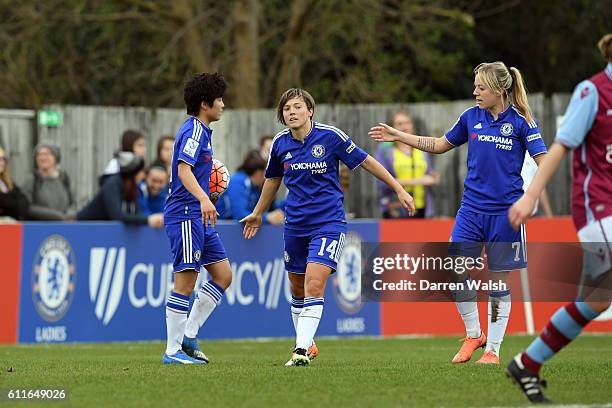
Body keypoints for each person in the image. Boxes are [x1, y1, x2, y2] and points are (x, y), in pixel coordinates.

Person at [370, 61, 547, 365]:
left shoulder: (521, 122)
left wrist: (529, 198)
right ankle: (473, 333)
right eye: (475, 86)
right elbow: (439, 145)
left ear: (499, 90)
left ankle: (492, 349)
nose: (475, 91)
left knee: (497, 283)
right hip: (471, 210)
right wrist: (399, 136)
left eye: (481, 87)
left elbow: (544, 162)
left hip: (506, 215)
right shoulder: (470, 117)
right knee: (454, 269)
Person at [241, 88, 414, 366]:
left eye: (297, 107)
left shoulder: (330, 136)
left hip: (328, 222)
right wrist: (257, 212)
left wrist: (399, 188)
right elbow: (273, 179)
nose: (292, 112)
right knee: (297, 288)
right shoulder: (280, 143)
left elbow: (367, 162)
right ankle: (308, 343)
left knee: (314, 283)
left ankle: (299, 350)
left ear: (310, 110)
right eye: (287, 109)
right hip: (295, 224)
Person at [506, 33, 612, 403]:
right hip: (598, 206)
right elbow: (558, 148)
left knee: (599, 299)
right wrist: (531, 196)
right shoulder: (592, 92)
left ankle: (527, 363)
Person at [162, 72, 233, 365]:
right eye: (219, 100)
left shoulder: (202, 132)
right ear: (205, 104)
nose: (223, 105)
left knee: (223, 275)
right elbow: (183, 170)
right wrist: (204, 198)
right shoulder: (193, 130)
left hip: (199, 216)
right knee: (186, 283)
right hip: (186, 214)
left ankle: (189, 334)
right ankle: (172, 351)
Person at [376, 111, 439, 218]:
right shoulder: (385, 151)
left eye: (407, 123)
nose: (404, 127)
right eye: (399, 124)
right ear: (392, 128)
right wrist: (418, 181)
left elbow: (431, 176)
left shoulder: (422, 150)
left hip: (422, 209)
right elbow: (381, 181)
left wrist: (434, 178)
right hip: (396, 209)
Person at [77, 152, 163, 228]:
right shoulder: (112, 184)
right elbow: (117, 215)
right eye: (140, 172)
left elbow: (137, 212)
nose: (143, 175)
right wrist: (147, 220)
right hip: (84, 229)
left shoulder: (132, 188)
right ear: (131, 174)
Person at [216, 152, 284, 225]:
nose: (265, 178)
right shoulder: (237, 181)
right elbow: (240, 215)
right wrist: (266, 218)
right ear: (259, 172)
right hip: (222, 228)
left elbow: (264, 208)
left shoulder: (254, 187)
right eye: (264, 174)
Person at [23, 143, 76, 221]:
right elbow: (26, 206)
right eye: (39, 154)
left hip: (64, 228)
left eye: (47, 154)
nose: (42, 157)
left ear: (56, 157)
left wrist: (70, 214)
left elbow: (73, 203)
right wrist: (57, 216)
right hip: (40, 228)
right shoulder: (32, 180)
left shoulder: (64, 178)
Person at [0, 146, 28, 221]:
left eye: (3, 159)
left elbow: (23, 199)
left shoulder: (7, 181)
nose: (2, 162)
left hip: (12, 225)